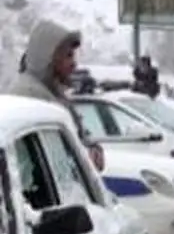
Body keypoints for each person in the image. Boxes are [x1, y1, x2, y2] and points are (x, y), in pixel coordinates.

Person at [8, 19, 105, 170]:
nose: (74, 63)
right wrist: (83, 161)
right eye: (68, 56)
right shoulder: (29, 97)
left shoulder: (53, 95)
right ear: (47, 57)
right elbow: (47, 163)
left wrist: (92, 150)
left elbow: (78, 141)